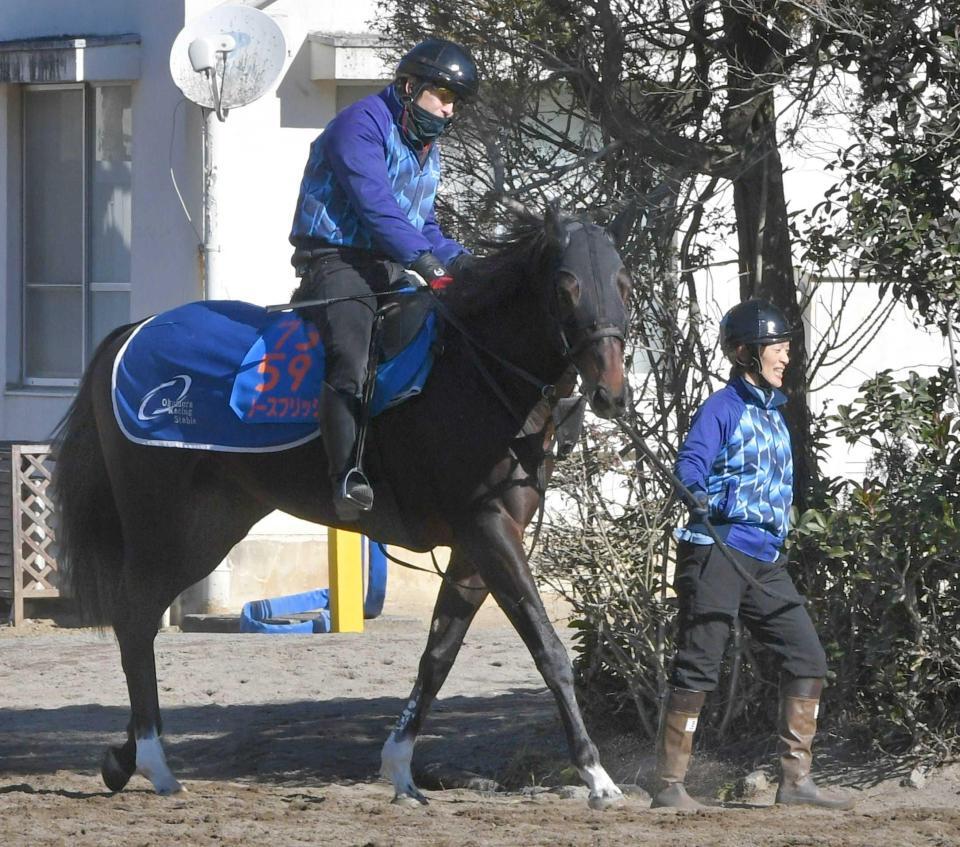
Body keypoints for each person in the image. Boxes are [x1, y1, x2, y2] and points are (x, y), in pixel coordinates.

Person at [652, 299, 855, 811]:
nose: (786, 357)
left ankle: (795, 782)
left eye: (787, 348)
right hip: (716, 551)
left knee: (808, 657)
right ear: (747, 353)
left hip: (766, 560)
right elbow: (691, 461)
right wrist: (695, 490)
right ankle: (670, 786)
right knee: (699, 665)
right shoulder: (721, 407)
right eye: (778, 349)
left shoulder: (777, 415)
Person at [288, 38, 478, 519]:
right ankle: (345, 476)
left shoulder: (424, 148)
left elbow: (424, 223)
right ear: (409, 85)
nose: (448, 109)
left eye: (454, 100)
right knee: (351, 353)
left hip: (390, 266)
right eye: (441, 94)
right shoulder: (359, 125)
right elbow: (378, 209)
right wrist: (426, 262)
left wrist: (462, 263)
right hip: (335, 263)